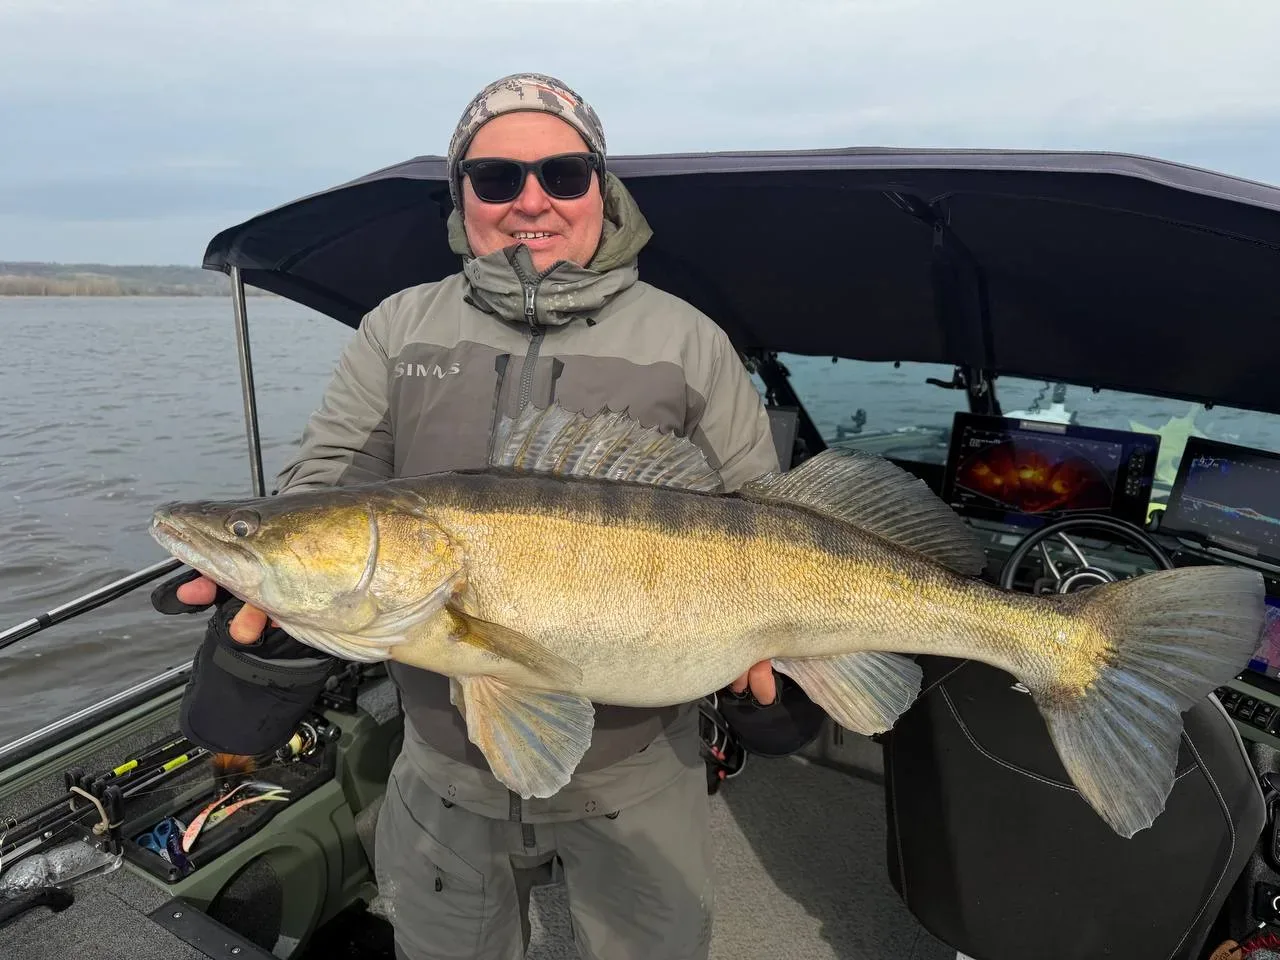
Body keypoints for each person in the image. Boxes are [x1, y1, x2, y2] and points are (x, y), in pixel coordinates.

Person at [155, 72, 781, 960]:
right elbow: (325, 480)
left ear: (601, 187)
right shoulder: (398, 328)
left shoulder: (690, 341)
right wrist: (266, 568)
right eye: (495, 178)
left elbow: (763, 514)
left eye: (563, 173)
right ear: (461, 196)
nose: (531, 200)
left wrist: (783, 660)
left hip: (641, 778)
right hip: (443, 773)